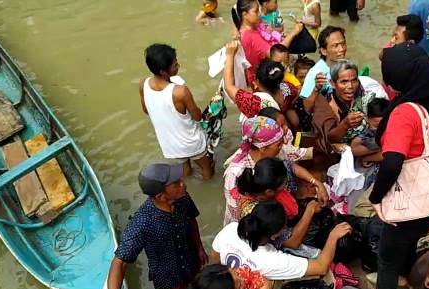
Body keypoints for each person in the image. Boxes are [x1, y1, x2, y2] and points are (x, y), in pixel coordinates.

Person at [369, 42, 429, 289]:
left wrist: (376, 197)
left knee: (386, 260)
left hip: (409, 205)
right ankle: (405, 272)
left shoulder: (404, 112)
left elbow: (392, 163)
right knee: (410, 239)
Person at [100, 163, 208, 289]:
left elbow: (191, 220)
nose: (183, 184)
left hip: (191, 261)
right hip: (167, 280)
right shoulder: (142, 223)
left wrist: (200, 248)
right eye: (176, 183)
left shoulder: (182, 197)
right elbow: (119, 263)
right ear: (160, 196)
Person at [223, 116, 328, 225]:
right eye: (278, 144)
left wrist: (317, 183)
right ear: (262, 148)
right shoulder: (236, 174)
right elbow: (245, 217)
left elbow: (291, 164)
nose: (282, 145)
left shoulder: (276, 150)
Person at [212, 200, 353, 279]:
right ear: (274, 236)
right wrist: (333, 236)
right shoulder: (271, 260)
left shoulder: (230, 229)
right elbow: (321, 267)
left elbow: (216, 256)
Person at [139, 44, 213, 179]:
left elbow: (146, 110)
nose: (178, 65)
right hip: (191, 142)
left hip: (170, 145)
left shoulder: (143, 84)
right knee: (206, 168)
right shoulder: (180, 91)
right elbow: (197, 116)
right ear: (163, 71)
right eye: (175, 64)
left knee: (185, 169)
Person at [232, 0, 303, 86]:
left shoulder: (251, 27)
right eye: (256, 11)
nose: (259, 13)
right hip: (262, 80)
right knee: (297, 86)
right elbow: (277, 54)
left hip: (258, 72)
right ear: (244, 14)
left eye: (259, 10)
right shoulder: (250, 36)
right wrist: (294, 32)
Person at [224, 42, 298, 121]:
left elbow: (228, 86)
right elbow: (297, 92)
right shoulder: (288, 88)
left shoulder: (254, 103)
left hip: (264, 131)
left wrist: (229, 55)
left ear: (258, 82)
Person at [300, 26, 347, 113]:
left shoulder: (345, 65)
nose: (342, 49)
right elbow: (307, 108)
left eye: (343, 44)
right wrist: (316, 88)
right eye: (335, 46)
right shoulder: (316, 73)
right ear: (324, 51)